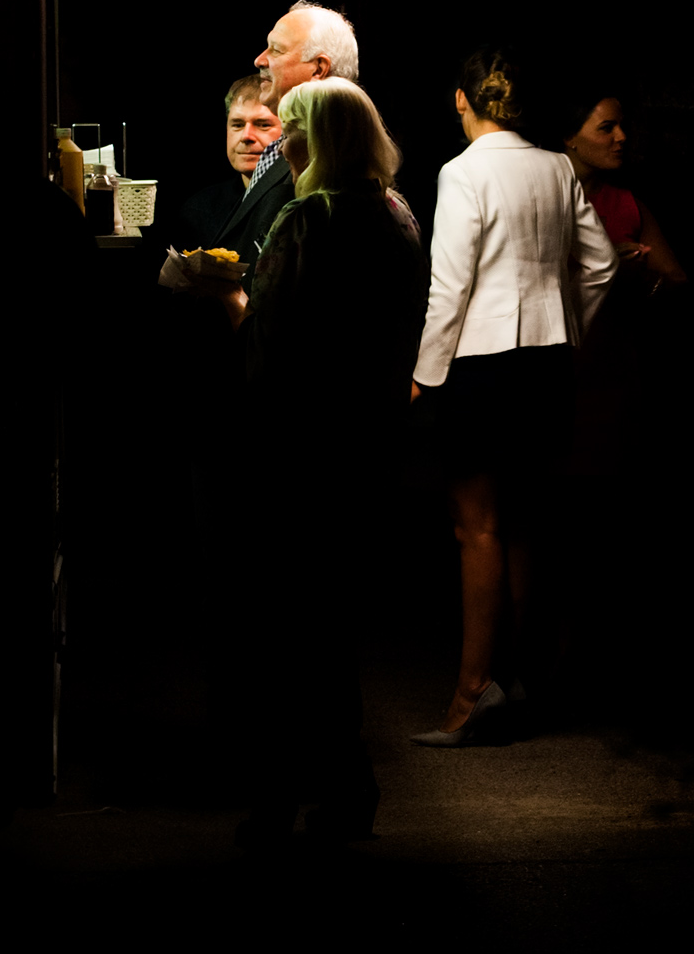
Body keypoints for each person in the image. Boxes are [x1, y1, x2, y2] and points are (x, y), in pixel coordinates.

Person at [189, 77, 426, 844]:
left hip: (294, 452)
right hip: (365, 446)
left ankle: (282, 799)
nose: (278, 145)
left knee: (284, 636)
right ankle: (344, 790)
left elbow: (268, 352)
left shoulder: (306, 217)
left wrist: (225, 295)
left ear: (315, 141)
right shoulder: (397, 214)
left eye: (290, 131)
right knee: (329, 630)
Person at [409, 51, 618, 746]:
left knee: (478, 529)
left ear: (463, 99)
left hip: (481, 365)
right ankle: (519, 683)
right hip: (547, 365)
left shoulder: (463, 171)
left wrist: (425, 372)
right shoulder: (557, 166)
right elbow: (602, 262)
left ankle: (471, 697)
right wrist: (570, 329)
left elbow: (450, 285)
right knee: (526, 526)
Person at [210, 0, 359, 264]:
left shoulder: (332, 158)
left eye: (276, 50)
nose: (259, 60)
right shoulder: (287, 145)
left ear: (318, 69)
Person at [563, 93, 686, 289]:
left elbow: (675, 279)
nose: (621, 137)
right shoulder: (545, 199)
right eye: (606, 128)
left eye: (622, 126)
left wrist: (642, 278)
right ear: (570, 136)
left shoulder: (626, 204)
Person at [177, 75, 281, 245]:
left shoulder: (300, 207)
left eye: (263, 124)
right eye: (237, 125)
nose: (246, 136)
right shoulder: (199, 210)